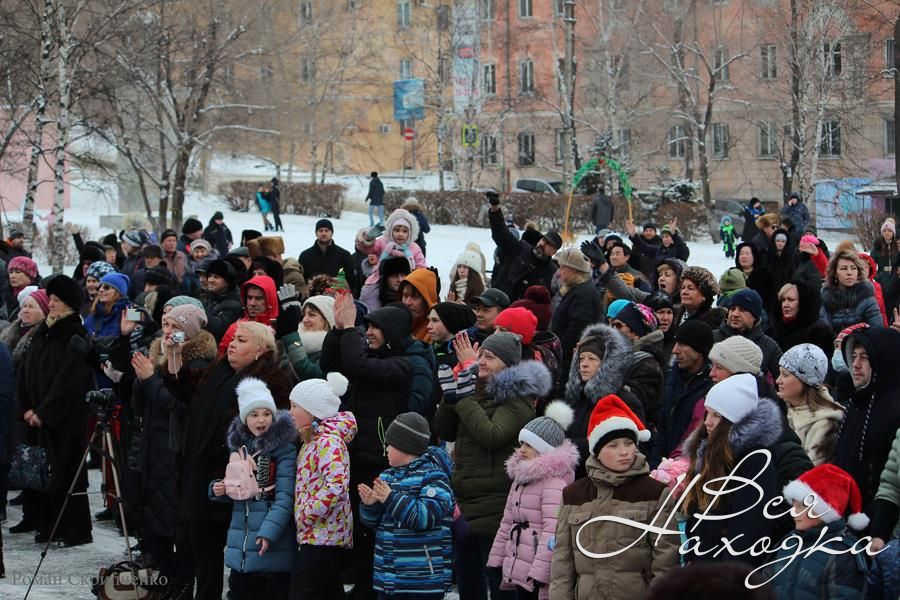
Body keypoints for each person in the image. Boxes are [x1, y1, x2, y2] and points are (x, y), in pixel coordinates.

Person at [319, 296, 435, 599]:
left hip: (381, 459)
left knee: (373, 529)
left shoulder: (401, 365)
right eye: (366, 326)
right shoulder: (373, 358)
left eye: (375, 327)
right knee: (358, 527)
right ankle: (361, 584)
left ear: (392, 331)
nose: (368, 332)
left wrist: (349, 328)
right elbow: (330, 364)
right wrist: (338, 330)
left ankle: (369, 588)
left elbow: (356, 364)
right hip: (358, 454)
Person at [434, 332, 550, 600]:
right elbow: (444, 430)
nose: (481, 361)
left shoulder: (519, 397)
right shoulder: (474, 391)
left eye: (490, 357)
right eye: (480, 355)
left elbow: (492, 435)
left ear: (508, 364)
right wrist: (452, 394)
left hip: (497, 503)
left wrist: (464, 398)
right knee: (467, 575)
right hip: (466, 500)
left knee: (498, 578)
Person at [181, 320, 292, 600]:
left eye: (241, 341)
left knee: (245, 566)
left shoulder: (272, 381)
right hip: (209, 479)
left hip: (247, 489)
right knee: (204, 553)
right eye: (232, 339)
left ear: (260, 350)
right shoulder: (219, 371)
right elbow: (186, 394)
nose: (232, 345)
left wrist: (248, 466)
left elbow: (273, 437)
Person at [550, 395, 679, 599]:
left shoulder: (655, 493)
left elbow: (666, 562)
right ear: (597, 451)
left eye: (629, 443)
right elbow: (562, 564)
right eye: (613, 445)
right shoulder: (573, 495)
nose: (624, 452)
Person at [130, 304, 217, 598]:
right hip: (153, 450)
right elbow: (140, 405)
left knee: (179, 531)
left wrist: (150, 380)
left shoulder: (198, 363)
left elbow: (178, 406)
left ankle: (180, 587)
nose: (168, 332)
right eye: (166, 325)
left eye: (176, 327)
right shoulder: (158, 355)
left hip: (177, 454)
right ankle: (168, 585)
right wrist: (142, 379)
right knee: (154, 529)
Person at [16, 275, 94, 546]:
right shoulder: (43, 331)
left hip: (64, 420)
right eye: (50, 299)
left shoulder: (74, 333)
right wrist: (26, 408)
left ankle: (74, 530)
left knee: (66, 474)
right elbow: (25, 370)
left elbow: (70, 381)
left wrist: (45, 412)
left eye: (57, 300)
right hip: (36, 416)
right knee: (42, 474)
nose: (51, 304)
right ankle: (46, 526)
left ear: (70, 304)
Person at [681, 373, 782, 566]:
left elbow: (748, 532)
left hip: (727, 573)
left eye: (717, 415)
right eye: (707, 413)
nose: (708, 422)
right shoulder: (709, 453)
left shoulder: (755, 460)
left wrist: (725, 577)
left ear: (735, 420)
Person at [209, 378, 296, 600]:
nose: (261, 420)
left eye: (266, 414)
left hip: (270, 545)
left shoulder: (283, 450)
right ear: (244, 419)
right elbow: (237, 488)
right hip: (242, 543)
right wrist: (219, 489)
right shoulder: (240, 449)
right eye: (254, 414)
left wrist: (268, 533)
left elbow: (285, 498)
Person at [487, 402, 578, 600]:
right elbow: (507, 523)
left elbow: (553, 531)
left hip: (536, 572)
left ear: (545, 449)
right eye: (522, 444)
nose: (521, 449)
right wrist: (496, 560)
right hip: (519, 565)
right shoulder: (520, 480)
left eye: (529, 445)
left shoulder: (553, 483)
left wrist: (540, 573)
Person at [359, 412, 454, 599]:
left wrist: (390, 498)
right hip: (389, 578)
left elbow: (425, 517)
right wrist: (371, 506)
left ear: (406, 447)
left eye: (390, 445)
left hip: (422, 580)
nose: (386, 449)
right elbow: (376, 524)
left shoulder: (434, 477)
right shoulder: (387, 476)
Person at [288, 373, 357, 600]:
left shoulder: (328, 442)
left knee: (302, 591)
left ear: (312, 411)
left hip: (323, 535)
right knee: (327, 591)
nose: (290, 412)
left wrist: (307, 513)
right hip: (316, 534)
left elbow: (337, 485)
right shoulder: (313, 440)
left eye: (294, 406)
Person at [771, 464, 869, 599]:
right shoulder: (788, 542)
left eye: (801, 506)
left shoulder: (843, 554)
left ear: (823, 511)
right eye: (793, 505)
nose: (793, 512)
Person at [563, 323, 645, 477]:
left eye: (592, 359)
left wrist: (567, 447)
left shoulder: (623, 401)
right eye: (581, 359)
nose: (584, 364)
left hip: (607, 479)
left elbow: (623, 444)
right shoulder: (577, 398)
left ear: (606, 365)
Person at [834, 326, 900, 511]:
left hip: (877, 517)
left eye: (865, 357)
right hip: (845, 511)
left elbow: (890, 481)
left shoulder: (895, 409)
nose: (855, 364)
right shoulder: (856, 401)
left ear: (883, 361)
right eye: (854, 356)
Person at [650, 320, 714, 467]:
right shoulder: (672, 377)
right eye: (675, 343)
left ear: (700, 350)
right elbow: (663, 430)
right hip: (666, 466)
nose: (675, 350)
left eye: (682, 344)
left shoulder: (712, 385)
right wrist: (654, 468)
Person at [776, 344, 843, 466]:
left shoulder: (825, 424)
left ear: (804, 380)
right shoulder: (780, 409)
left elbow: (812, 472)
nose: (778, 381)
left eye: (785, 375)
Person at [487, 194, 561, 301]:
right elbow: (501, 234)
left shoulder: (551, 273)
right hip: (498, 303)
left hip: (523, 310)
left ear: (553, 252)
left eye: (548, 244)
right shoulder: (520, 248)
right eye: (543, 240)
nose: (543, 244)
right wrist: (495, 209)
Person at [550, 248, 603, 383]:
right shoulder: (578, 289)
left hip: (570, 358)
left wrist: (561, 350)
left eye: (563, 268)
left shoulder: (582, 293)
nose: (560, 272)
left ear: (574, 270)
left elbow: (578, 327)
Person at [711, 288, 783, 381]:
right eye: (732, 309)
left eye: (742, 310)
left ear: (755, 316)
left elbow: (781, 382)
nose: (735, 314)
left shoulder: (770, 347)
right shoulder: (712, 338)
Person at [357, 208, 427, 291]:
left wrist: (415, 279)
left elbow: (421, 266)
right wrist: (368, 238)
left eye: (404, 231)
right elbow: (368, 249)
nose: (400, 234)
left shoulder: (414, 247)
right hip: (381, 281)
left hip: (406, 283)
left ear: (410, 233)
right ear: (391, 230)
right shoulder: (383, 242)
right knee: (368, 293)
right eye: (397, 230)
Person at [820, 246, 883, 334]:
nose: (849, 272)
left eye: (853, 268)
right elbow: (822, 329)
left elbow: (876, 329)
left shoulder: (866, 296)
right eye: (844, 268)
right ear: (835, 273)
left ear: (858, 272)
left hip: (861, 341)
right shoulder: (825, 296)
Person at [768, 280, 834, 358]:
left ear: (803, 302)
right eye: (783, 300)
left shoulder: (819, 332)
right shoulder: (774, 332)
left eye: (790, 300)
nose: (785, 305)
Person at [276, 294, 335, 382]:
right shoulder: (296, 339)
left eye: (311, 315)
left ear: (327, 320)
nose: (304, 320)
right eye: (304, 315)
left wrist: (291, 337)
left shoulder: (333, 347)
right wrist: (281, 340)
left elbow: (311, 375)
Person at [217, 274, 279, 356]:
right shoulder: (235, 328)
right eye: (249, 298)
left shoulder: (281, 328)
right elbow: (220, 357)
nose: (252, 303)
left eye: (258, 298)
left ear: (270, 300)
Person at [298, 219, 357, 291]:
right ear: (316, 233)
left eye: (326, 230)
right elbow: (301, 281)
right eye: (320, 231)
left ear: (332, 233)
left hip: (337, 296)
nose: (323, 233)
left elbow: (351, 281)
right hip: (312, 296)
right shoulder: (305, 256)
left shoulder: (344, 255)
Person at [202, 259, 243, 343]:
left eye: (216, 277)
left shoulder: (234, 304)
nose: (210, 280)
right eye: (210, 276)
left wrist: (198, 310)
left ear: (227, 282)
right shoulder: (207, 296)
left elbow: (218, 327)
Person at [732, 241, 776, 313]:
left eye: (747, 254)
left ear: (754, 256)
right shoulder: (732, 274)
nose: (744, 256)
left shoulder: (764, 274)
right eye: (741, 254)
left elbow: (772, 297)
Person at [399, 268, 439, 343]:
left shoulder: (436, 333)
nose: (407, 302)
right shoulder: (395, 324)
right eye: (405, 295)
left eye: (415, 297)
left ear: (427, 300)